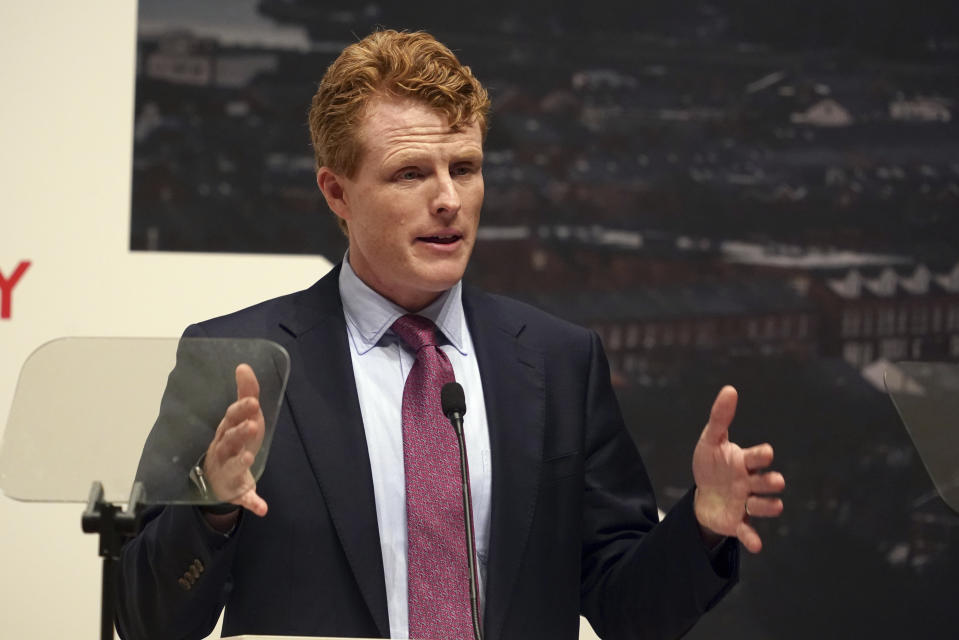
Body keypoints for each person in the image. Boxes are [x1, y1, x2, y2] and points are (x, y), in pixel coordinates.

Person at [116, 29, 784, 640]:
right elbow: (145, 618)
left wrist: (699, 525)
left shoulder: (557, 362)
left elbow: (626, 610)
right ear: (336, 193)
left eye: (463, 168)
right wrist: (211, 512)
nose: (448, 200)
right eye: (411, 173)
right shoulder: (240, 362)